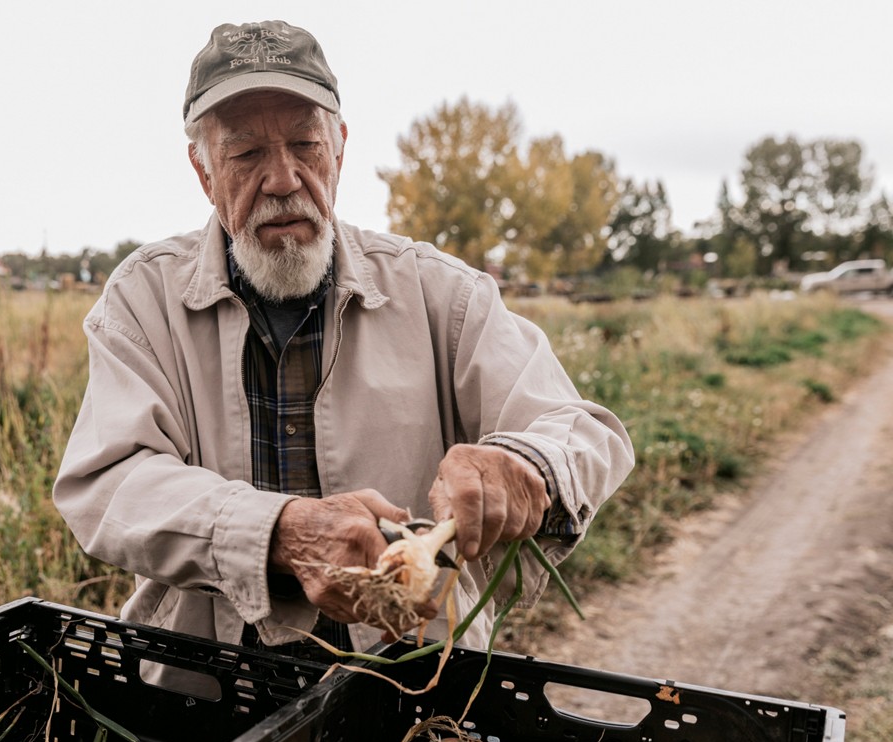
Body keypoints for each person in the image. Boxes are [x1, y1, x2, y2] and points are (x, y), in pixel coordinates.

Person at [53, 20, 633, 665]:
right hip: (208, 676)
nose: (282, 179)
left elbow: (581, 430)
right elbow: (109, 484)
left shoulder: (440, 292)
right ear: (203, 170)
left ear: (340, 149)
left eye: (305, 144)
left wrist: (527, 462)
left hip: (414, 665)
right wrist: (276, 531)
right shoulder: (143, 299)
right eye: (245, 154)